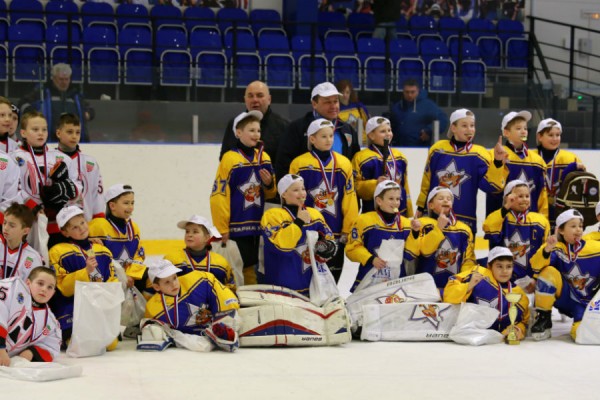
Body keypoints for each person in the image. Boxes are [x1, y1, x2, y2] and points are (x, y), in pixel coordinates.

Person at [416, 108, 507, 235]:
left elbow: (492, 187)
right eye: (464, 126)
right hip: (434, 218)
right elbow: (427, 181)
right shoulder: (437, 149)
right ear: (453, 128)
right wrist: (421, 207)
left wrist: (497, 162)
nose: (470, 129)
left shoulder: (480, 154)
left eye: (472, 125)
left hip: (465, 221)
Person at [210, 110, 276, 285]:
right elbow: (219, 195)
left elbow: (271, 193)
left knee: (252, 269)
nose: (256, 134)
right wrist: (222, 227)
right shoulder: (229, 159)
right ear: (238, 133)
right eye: (251, 130)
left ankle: (250, 300)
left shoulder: (264, 158)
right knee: (235, 269)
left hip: (258, 226)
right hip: (236, 227)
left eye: (258, 130)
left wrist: (269, 184)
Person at [289, 118, 359, 282]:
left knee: (333, 276)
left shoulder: (344, 163)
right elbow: (292, 198)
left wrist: (348, 229)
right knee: (308, 274)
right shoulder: (299, 163)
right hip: (309, 229)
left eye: (331, 136)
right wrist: (296, 223)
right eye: (323, 136)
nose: (329, 140)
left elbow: (350, 198)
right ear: (312, 139)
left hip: (335, 230)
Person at [48, 206, 118, 349]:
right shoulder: (57, 251)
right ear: (65, 232)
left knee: (111, 344)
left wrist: (110, 296)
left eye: (82, 223)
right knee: (79, 344)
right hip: (73, 307)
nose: (81, 228)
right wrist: (85, 272)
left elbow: (112, 280)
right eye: (74, 227)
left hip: (98, 305)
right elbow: (64, 288)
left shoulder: (102, 250)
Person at [11, 111, 81, 247]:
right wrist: (32, 205)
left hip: (56, 223)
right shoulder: (15, 158)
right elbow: (12, 190)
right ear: (23, 133)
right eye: (35, 129)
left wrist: (68, 190)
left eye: (44, 129)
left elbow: (78, 185)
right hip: (27, 221)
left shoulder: (61, 157)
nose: (41, 133)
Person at [261, 174, 336, 296]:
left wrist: (328, 248)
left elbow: (329, 239)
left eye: (303, 189)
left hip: (313, 288)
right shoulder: (272, 216)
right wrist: (299, 222)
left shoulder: (314, 214)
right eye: (295, 190)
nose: (302, 193)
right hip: (282, 289)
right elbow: (282, 247)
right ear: (283, 194)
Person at [530, 209, 600, 341]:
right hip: (566, 298)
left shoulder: (596, 248)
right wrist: (547, 249)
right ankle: (544, 319)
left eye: (580, 226)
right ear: (561, 230)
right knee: (547, 272)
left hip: (588, 304)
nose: (578, 230)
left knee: (581, 335)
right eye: (573, 226)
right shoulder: (556, 247)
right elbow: (536, 266)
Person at [346, 180, 421, 292]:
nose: (395, 203)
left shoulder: (406, 224)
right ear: (379, 201)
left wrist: (415, 233)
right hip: (368, 279)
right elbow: (351, 249)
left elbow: (410, 255)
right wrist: (371, 259)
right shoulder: (364, 220)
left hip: (397, 282)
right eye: (391, 198)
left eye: (398, 199)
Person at [275, 82, 360, 181]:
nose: (333, 106)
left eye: (335, 101)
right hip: (306, 188)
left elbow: (355, 163)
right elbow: (283, 164)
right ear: (314, 104)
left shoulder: (347, 129)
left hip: (340, 188)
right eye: (327, 102)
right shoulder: (297, 128)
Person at [144, 260, 239, 347]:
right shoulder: (153, 309)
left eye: (174, 278)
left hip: (219, 329)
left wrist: (221, 320)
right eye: (167, 282)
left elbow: (226, 300)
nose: (174, 284)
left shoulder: (201, 280)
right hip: (190, 347)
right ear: (156, 287)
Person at [443, 246, 530, 341]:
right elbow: (448, 295)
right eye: (499, 266)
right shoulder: (478, 274)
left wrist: (518, 330)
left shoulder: (519, 295)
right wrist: (468, 286)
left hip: (497, 344)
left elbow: (523, 322)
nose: (505, 271)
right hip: (468, 336)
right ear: (489, 266)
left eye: (508, 266)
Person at [483, 180, 550, 291]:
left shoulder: (541, 221)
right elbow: (489, 228)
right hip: (503, 279)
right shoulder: (501, 218)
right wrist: (506, 207)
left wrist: (536, 277)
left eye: (527, 196)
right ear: (507, 198)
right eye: (520, 196)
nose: (525, 199)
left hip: (532, 281)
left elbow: (545, 251)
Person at [486, 111, 548, 219]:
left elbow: (542, 195)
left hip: (529, 222)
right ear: (506, 132)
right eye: (518, 128)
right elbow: (492, 187)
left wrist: (543, 220)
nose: (523, 131)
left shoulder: (538, 161)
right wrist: (498, 163)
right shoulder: (493, 155)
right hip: (502, 220)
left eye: (525, 128)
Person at [89, 184, 148, 292]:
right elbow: (90, 252)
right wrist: (119, 277)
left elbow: (139, 255)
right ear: (112, 206)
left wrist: (131, 275)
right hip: (107, 282)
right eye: (126, 203)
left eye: (132, 203)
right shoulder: (98, 226)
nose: (131, 207)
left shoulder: (133, 228)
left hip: (129, 280)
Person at [219, 81, 289, 171]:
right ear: (245, 99)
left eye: (260, 95)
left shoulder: (284, 126)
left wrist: (271, 177)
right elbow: (224, 158)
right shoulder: (234, 124)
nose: (255, 100)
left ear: (269, 99)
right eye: (250, 96)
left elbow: (287, 162)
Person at [417, 186, 476, 290]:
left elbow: (468, 261)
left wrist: (461, 282)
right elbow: (424, 251)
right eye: (440, 198)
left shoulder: (464, 230)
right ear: (430, 205)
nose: (445, 200)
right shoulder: (422, 224)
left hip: (453, 288)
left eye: (449, 199)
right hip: (425, 289)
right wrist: (438, 228)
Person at [0, 267, 62, 366]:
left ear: (53, 293)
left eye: (50, 287)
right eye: (40, 283)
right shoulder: (13, 288)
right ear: (28, 283)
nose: (44, 289)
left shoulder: (51, 323)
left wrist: (31, 353)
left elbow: (52, 346)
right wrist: (1, 348)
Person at [19, 63, 95, 143]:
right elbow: (22, 104)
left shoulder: (76, 95)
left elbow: (90, 110)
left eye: (66, 79)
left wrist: (87, 114)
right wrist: (32, 114)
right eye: (61, 79)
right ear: (54, 79)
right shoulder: (43, 93)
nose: (64, 82)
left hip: (74, 141)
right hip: (49, 140)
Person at [530, 118, 585, 228]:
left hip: (562, 216)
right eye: (550, 135)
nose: (555, 139)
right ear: (539, 137)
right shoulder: (530, 157)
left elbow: (579, 189)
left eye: (558, 135)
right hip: (534, 214)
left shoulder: (571, 159)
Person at [352, 116, 412, 215]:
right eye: (383, 131)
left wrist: (409, 212)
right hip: (373, 213)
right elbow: (356, 187)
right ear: (371, 135)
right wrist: (375, 184)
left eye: (389, 130)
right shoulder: (361, 158)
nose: (388, 134)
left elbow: (404, 186)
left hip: (399, 212)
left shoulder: (400, 157)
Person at [164, 215, 236, 292]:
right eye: (187, 231)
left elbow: (230, 289)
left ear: (207, 238)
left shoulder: (221, 263)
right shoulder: (171, 261)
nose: (189, 235)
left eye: (195, 232)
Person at [55, 113, 105, 221]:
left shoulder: (90, 163)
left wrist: (99, 218)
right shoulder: (50, 160)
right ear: (58, 133)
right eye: (69, 132)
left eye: (77, 132)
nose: (74, 136)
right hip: (58, 223)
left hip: (85, 222)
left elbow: (97, 193)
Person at [389, 79, 449, 147]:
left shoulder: (428, 105)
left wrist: (429, 130)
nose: (409, 95)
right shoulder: (397, 106)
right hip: (399, 147)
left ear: (418, 91)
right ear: (403, 91)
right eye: (407, 92)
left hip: (420, 147)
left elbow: (443, 119)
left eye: (412, 92)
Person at [0, 203, 44, 282]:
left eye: (12, 225)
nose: (5, 228)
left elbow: (33, 286)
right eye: (4, 223)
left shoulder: (33, 257)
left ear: (25, 231)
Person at [336, 80, 369, 146]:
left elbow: (368, 125)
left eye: (347, 92)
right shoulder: (334, 109)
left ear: (350, 93)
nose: (345, 95)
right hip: (347, 145)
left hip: (364, 143)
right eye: (342, 92)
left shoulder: (359, 107)